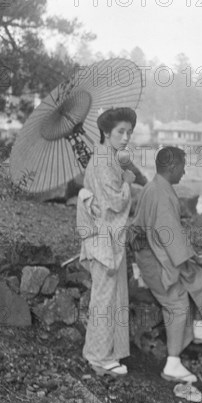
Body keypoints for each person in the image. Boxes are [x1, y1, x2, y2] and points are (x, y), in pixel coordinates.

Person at [130, 146, 202, 383]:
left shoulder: (153, 187)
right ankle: (173, 363)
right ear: (172, 166)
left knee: (200, 275)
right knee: (177, 299)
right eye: (183, 167)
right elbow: (169, 235)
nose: (184, 172)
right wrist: (191, 257)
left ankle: (197, 325)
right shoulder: (160, 193)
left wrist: (189, 257)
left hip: (154, 253)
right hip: (153, 259)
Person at [76, 107, 138, 377]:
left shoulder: (108, 156)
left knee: (112, 296)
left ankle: (108, 353)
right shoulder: (103, 159)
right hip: (103, 236)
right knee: (103, 298)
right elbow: (115, 201)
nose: (125, 137)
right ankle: (98, 357)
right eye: (120, 132)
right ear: (106, 132)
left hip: (108, 236)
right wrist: (128, 183)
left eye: (129, 132)